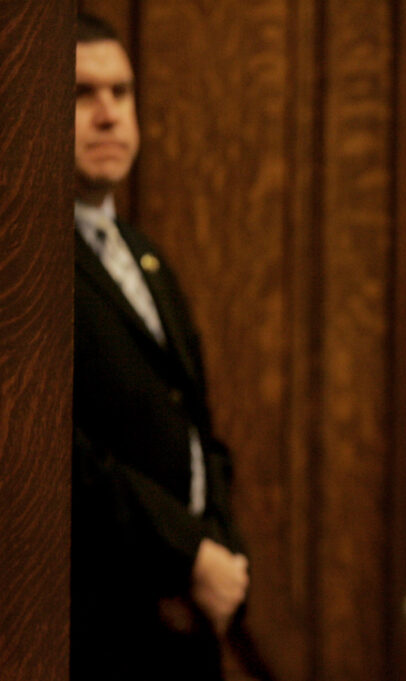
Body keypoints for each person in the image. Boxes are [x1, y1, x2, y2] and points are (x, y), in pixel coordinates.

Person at [72, 13, 250, 680]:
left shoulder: (143, 255)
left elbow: (197, 428)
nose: (109, 114)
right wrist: (188, 551)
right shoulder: (25, 268)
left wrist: (225, 551)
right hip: (95, 627)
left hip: (184, 621)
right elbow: (57, 452)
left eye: (122, 92)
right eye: (82, 95)